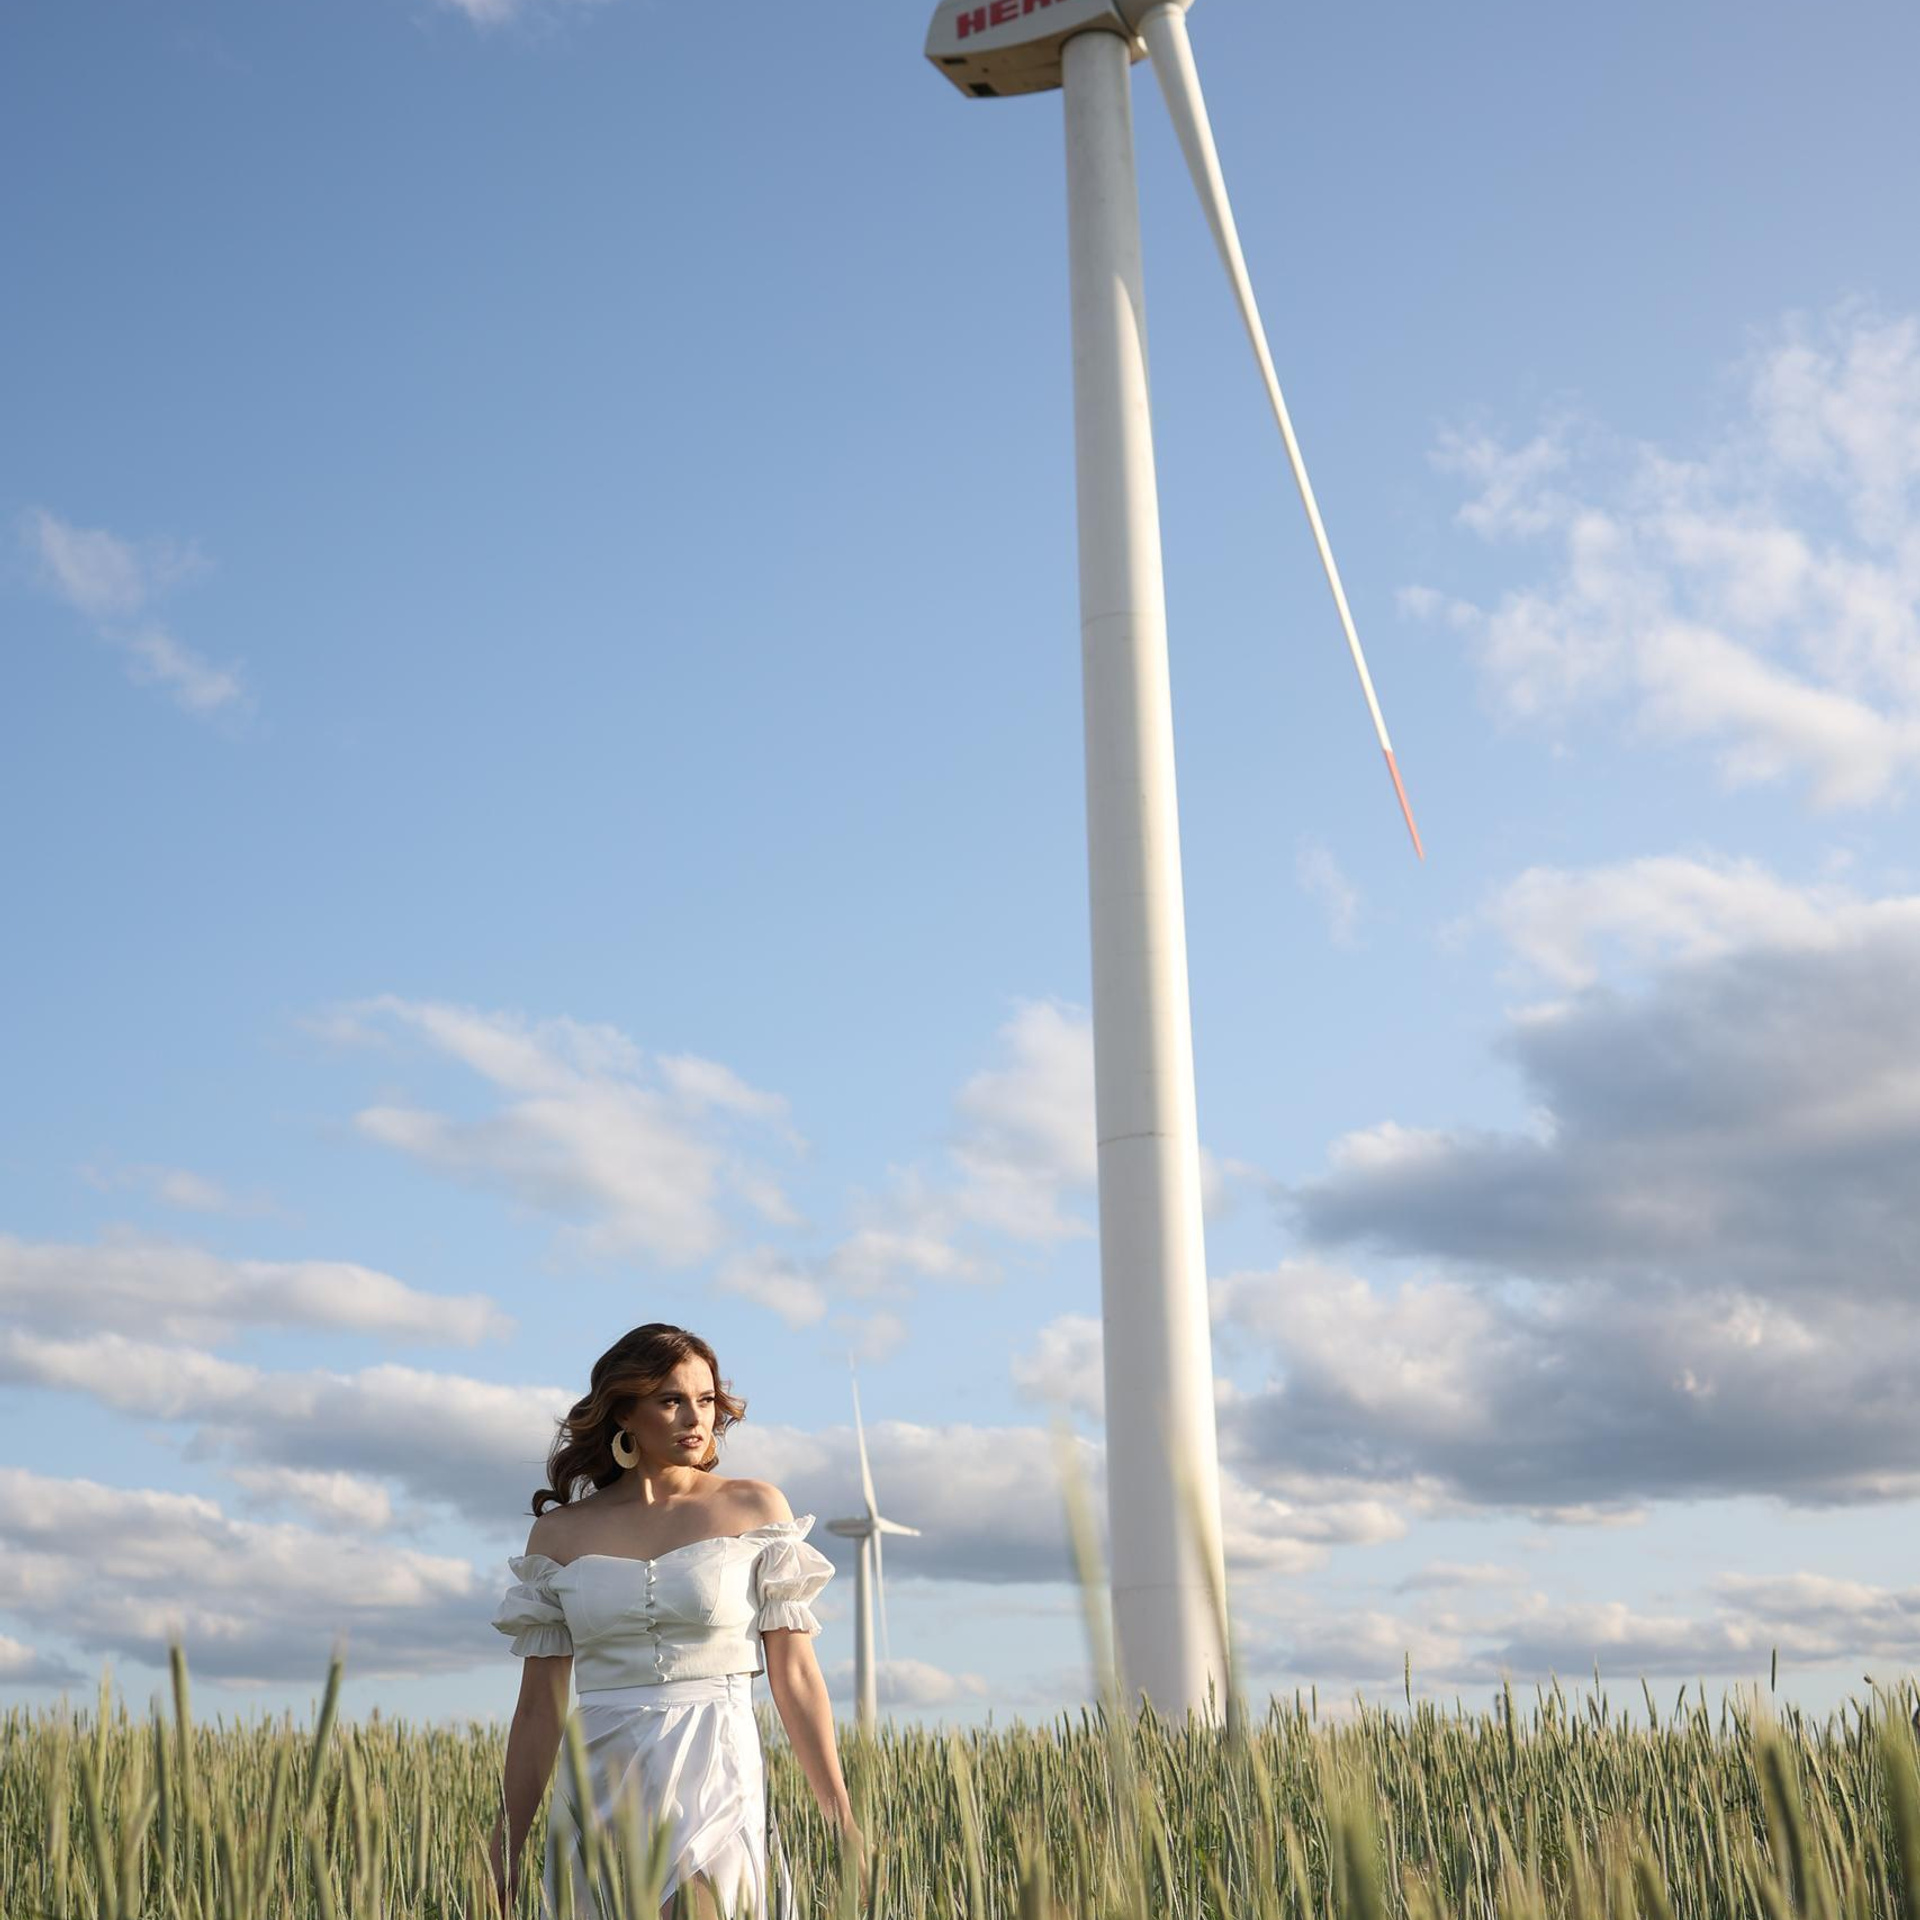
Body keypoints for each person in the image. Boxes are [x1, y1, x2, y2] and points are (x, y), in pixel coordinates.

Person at [487, 1323, 868, 1918]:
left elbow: (794, 1678)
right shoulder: (559, 1534)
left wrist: (841, 1818)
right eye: (671, 1400)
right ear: (624, 1414)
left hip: (714, 1755)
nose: (697, 1417)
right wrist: (507, 1840)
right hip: (599, 1771)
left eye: (707, 1399)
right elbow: (539, 1706)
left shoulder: (754, 1507)